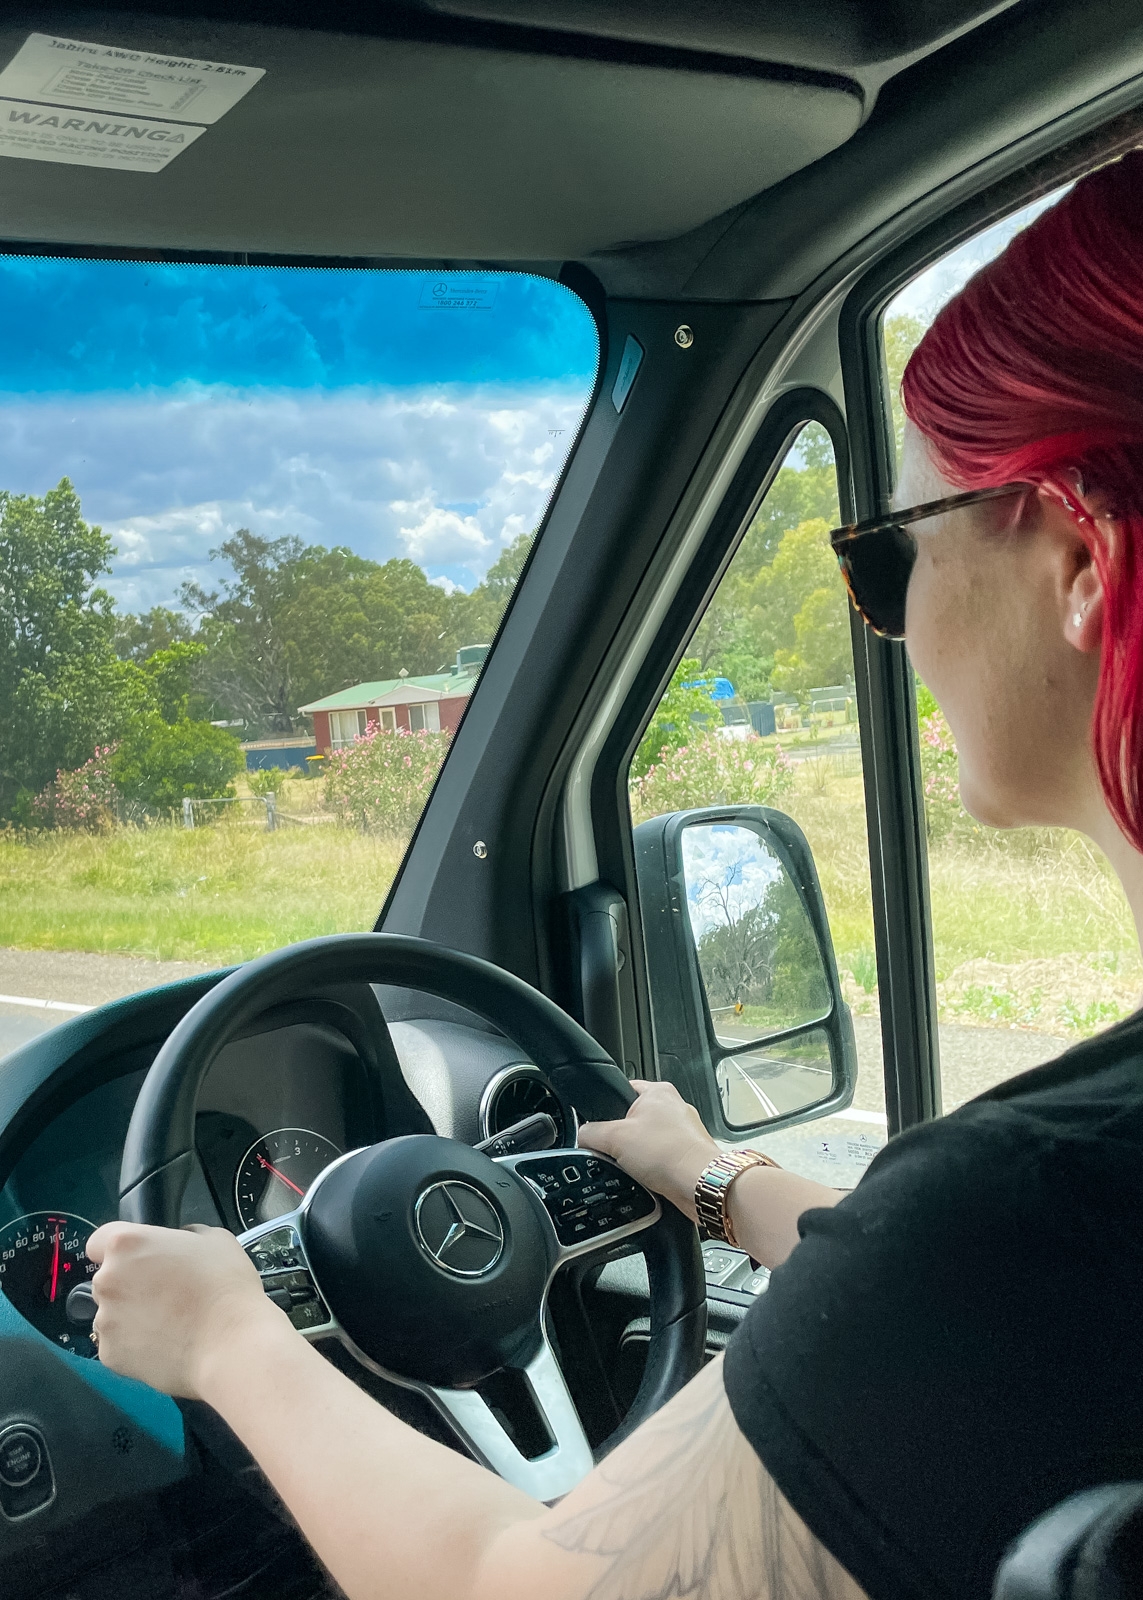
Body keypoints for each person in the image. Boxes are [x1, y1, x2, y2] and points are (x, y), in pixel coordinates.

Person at [87, 149, 1143, 1600]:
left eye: (885, 557)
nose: (889, 625)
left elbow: (507, 1585)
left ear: (1081, 557)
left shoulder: (1014, 1213)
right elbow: (996, 1330)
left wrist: (224, 1336)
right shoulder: (1041, 1224)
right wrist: (704, 1176)